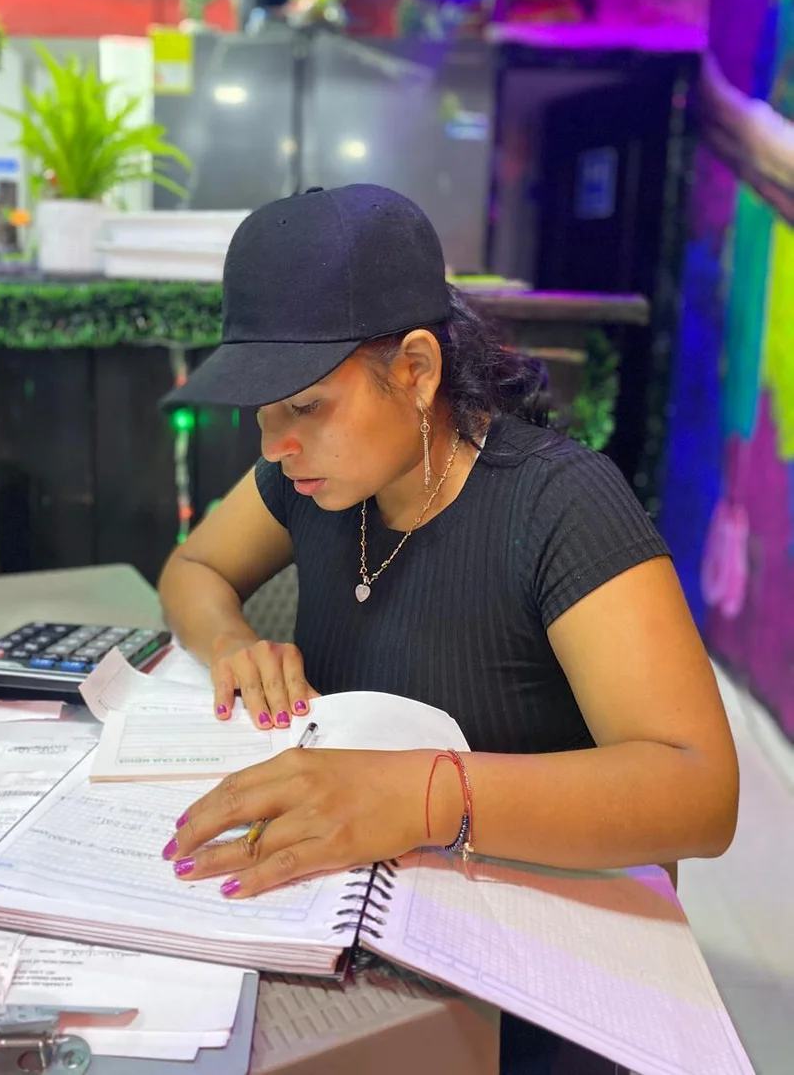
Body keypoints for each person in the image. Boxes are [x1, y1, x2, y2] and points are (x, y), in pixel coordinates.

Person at [157, 184, 739, 1073]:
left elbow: (699, 790)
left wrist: (423, 795)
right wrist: (232, 640)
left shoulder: (559, 505)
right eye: (262, 410)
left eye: (305, 405)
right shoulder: (310, 479)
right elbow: (194, 569)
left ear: (418, 369)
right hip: (356, 950)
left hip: (535, 976)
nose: (274, 444)